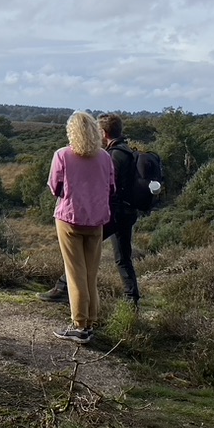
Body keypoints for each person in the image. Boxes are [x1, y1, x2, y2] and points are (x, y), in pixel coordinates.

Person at [38, 112, 141, 308]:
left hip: (107, 214)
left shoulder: (111, 156)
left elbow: (109, 187)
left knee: (79, 257)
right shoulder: (127, 151)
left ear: (103, 132)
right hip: (127, 212)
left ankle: (65, 293)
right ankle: (131, 299)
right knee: (122, 258)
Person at [48, 110, 114, 344]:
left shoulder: (62, 155)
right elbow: (111, 187)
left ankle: (80, 325)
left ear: (71, 132)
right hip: (97, 220)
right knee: (90, 273)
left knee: (74, 273)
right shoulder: (105, 157)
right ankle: (92, 320)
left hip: (69, 219)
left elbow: (55, 187)